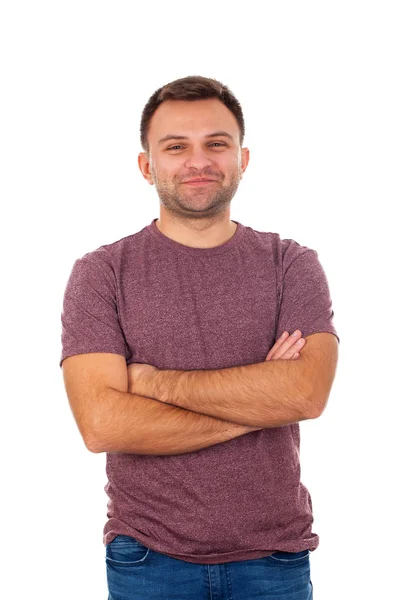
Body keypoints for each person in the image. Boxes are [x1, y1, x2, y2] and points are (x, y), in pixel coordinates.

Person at [60, 75, 339, 600]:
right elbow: (102, 425)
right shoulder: (101, 273)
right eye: (176, 147)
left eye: (216, 143)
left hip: (274, 557)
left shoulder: (291, 264)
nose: (198, 161)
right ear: (147, 165)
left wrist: (154, 385)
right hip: (147, 556)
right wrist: (262, 402)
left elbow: (306, 393)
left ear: (243, 158)